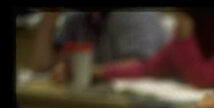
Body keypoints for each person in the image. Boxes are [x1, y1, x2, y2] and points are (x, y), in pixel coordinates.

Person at [98, 9, 214, 89]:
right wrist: (101, 72)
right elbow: (149, 68)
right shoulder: (196, 30)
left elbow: (203, 79)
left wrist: (185, 38)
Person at [28, 10, 168, 85]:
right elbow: (40, 67)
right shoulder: (76, 18)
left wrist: (84, 72)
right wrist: (48, 18)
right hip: (96, 106)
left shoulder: (135, 14)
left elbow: (141, 66)